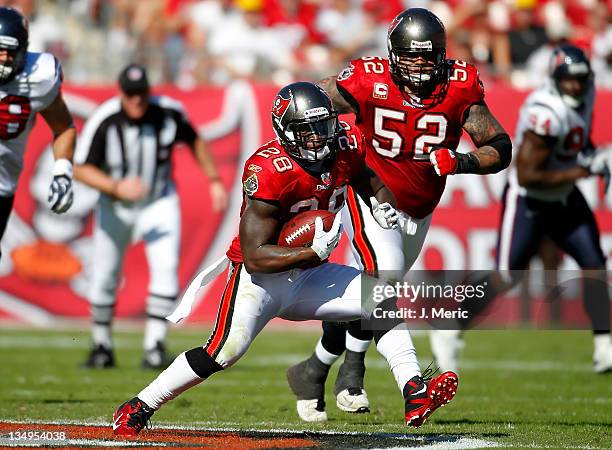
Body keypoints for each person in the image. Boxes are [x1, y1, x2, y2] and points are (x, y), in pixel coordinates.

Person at [111, 82, 459, 437]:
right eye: (307, 132)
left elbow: (366, 177)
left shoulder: (344, 144)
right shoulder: (269, 169)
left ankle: (414, 391)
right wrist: (310, 252)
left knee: (380, 300)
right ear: (285, 132)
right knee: (222, 352)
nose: (318, 139)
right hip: (262, 279)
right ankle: (139, 405)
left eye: (324, 127)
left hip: (309, 273)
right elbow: (255, 256)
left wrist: (381, 202)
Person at [286, 8, 512, 422]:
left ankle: (314, 369)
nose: (422, 66)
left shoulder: (458, 87)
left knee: (361, 298)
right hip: (370, 195)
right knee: (383, 281)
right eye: (412, 56)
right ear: (393, 54)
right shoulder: (367, 78)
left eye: (430, 57)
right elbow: (311, 104)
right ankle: (379, 379)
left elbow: (499, 146)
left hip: (419, 211)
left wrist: (461, 162)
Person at [74, 63, 229, 370]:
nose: (137, 101)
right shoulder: (105, 119)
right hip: (115, 204)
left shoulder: (167, 112)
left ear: (149, 91)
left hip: (159, 200)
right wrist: (116, 186)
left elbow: (195, 138)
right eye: (130, 94)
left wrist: (213, 180)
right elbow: (81, 168)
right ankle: (101, 344)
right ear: (121, 93)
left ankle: (154, 345)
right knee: (105, 274)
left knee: (166, 268)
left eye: (141, 93)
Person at [498, 44, 612, 374]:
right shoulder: (545, 111)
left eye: (581, 79)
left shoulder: (586, 94)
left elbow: (577, 141)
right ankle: (454, 327)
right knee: (506, 275)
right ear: (556, 79)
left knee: (594, 265)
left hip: (563, 195)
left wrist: (590, 155)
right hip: (529, 199)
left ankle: (604, 347)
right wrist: (584, 170)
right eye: (569, 80)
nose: (576, 86)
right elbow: (530, 175)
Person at [0, 7, 76, 259]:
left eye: (8, 53)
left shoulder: (40, 77)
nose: (2, 60)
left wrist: (62, 172)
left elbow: (63, 127)